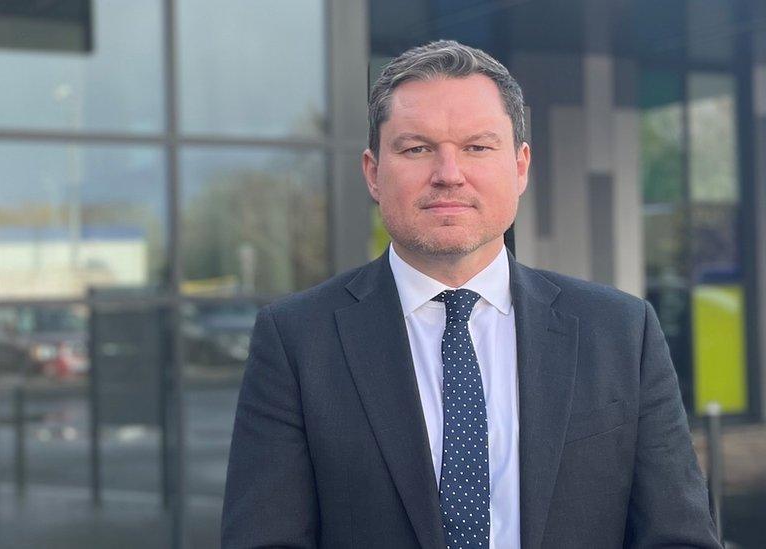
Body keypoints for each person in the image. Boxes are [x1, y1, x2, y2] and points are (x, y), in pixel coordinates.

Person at [221, 40, 720, 549]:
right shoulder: (297, 340)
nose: (449, 174)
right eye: (416, 148)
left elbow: (677, 536)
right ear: (373, 172)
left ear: (521, 166)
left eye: (477, 147)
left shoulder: (620, 332)